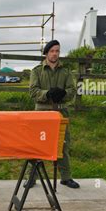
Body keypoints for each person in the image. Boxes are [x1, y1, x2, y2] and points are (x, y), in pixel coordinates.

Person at [28, 39, 80, 189]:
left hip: (60, 111)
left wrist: (62, 94)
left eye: (57, 51)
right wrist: (47, 94)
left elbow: (72, 90)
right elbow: (33, 91)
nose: (55, 54)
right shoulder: (37, 71)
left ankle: (66, 177)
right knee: (37, 144)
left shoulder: (66, 71)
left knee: (63, 144)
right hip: (41, 112)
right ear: (46, 53)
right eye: (52, 51)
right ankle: (32, 177)